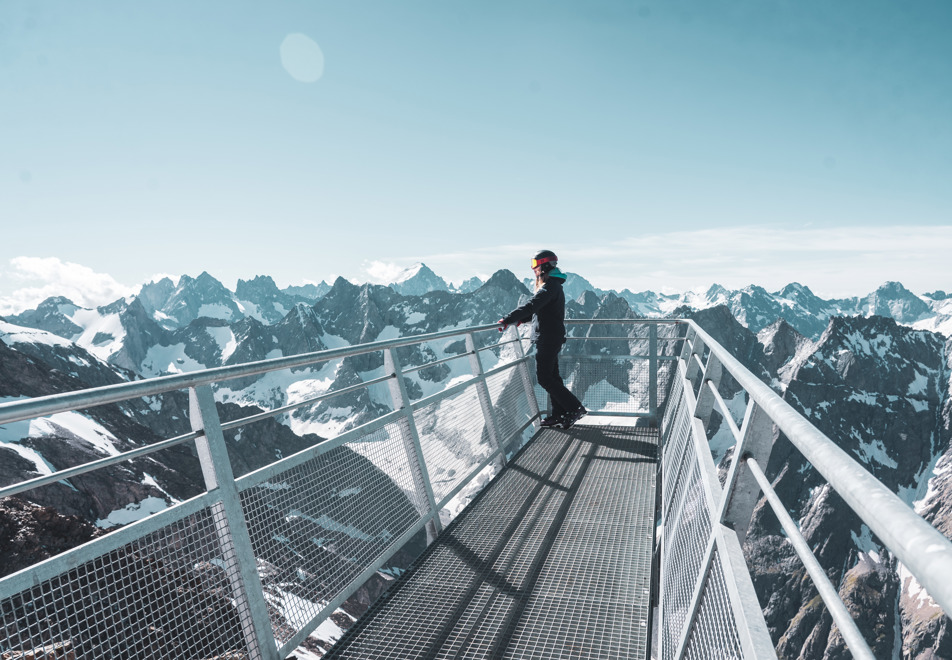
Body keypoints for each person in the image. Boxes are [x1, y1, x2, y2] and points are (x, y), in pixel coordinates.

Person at [499, 250, 587, 429]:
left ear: (544, 266)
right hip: (551, 337)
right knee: (553, 376)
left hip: (547, 338)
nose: (533, 269)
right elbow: (542, 311)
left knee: (544, 378)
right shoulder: (554, 286)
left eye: (535, 265)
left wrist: (507, 319)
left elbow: (533, 305)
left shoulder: (549, 286)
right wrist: (522, 319)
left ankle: (574, 407)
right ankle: (559, 414)